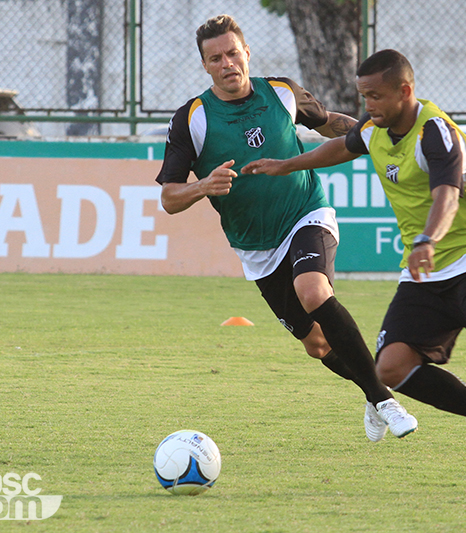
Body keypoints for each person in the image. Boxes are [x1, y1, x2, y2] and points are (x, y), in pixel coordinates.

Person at [242, 49, 466, 493]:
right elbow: (343, 144)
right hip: (425, 272)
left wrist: (428, 240)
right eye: (363, 97)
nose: (368, 106)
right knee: (391, 369)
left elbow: (447, 196)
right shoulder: (375, 129)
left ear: (405, 91)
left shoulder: (435, 132)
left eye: (375, 96)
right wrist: (287, 164)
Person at [155, 16, 417, 442]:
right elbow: (169, 198)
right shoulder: (192, 118)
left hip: (306, 213)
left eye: (233, 53)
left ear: (247, 52)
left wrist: (381, 133)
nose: (227, 64)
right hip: (256, 247)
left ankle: (384, 398)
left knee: (313, 291)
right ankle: (371, 395)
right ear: (205, 65)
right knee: (316, 344)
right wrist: (203, 186)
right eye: (215, 58)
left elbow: (330, 123)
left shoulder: (281, 92)